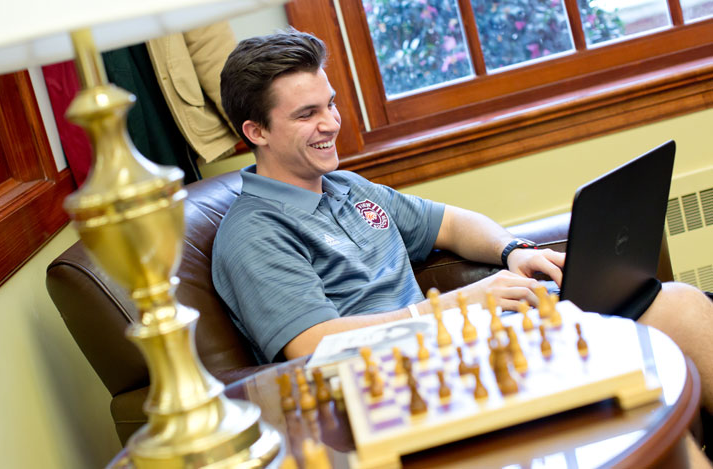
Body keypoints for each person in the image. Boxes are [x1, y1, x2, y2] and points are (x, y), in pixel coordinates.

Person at [212, 30, 713, 423]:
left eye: (332, 104)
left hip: (457, 350)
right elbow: (311, 344)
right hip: (395, 389)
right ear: (256, 131)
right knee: (661, 334)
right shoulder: (254, 235)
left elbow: (452, 224)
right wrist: (451, 308)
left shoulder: (348, 187)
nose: (331, 123)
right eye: (307, 114)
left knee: (676, 303)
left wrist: (512, 249)